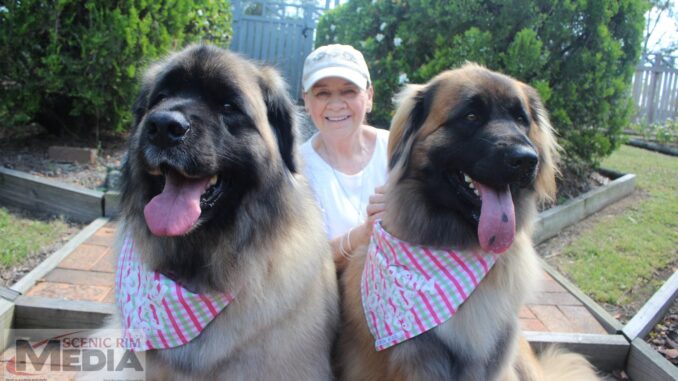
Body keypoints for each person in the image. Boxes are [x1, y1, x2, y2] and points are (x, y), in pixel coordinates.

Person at [299, 44, 389, 272]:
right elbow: (300, 264)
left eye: (349, 91)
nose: (336, 104)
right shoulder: (296, 169)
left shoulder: (397, 150)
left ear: (369, 97)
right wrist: (365, 232)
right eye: (322, 93)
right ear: (306, 101)